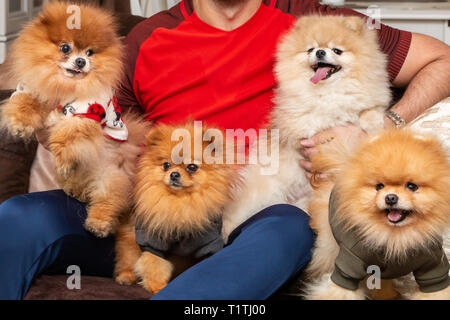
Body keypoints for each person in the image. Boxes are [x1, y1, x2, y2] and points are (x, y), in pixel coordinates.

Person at [0, 0, 448, 300]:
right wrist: (68, 135)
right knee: (21, 216)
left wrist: (378, 129)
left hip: (261, 217)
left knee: (289, 230)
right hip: (160, 215)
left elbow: (441, 59)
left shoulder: (312, 21)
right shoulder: (147, 40)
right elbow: (115, 132)